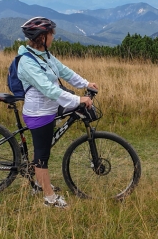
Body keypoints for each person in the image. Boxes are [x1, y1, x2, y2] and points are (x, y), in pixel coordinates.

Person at [17, 17, 98, 208]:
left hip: (49, 108)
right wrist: (79, 99)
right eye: (51, 33)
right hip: (39, 113)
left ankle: (38, 182)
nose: (53, 36)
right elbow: (49, 89)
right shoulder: (27, 62)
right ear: (42, 36)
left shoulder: (44, 55)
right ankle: (49, 198)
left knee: (43, 150)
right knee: (42, 156)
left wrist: (85, 83)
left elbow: (65, 72)